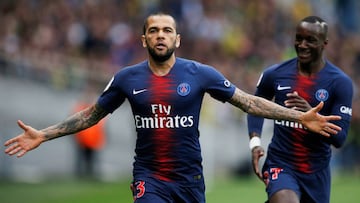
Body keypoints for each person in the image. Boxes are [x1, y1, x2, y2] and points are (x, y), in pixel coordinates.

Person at [4, 13, 342, 203]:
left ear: (177, 39)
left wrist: (300, 116)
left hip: (190, 180)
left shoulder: (200, 74)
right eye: (154, 31)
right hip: (150, 179)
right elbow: (91, 114)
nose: (161, 36)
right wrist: (44, 135)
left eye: (167, 30)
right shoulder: (126, 78)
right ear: (144, 40)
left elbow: (247, 101)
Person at [247, 16, 353, 203]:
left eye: (310, 40)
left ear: (324, 43)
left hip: (316, 172)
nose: (302, 45)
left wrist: (313, 115)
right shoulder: (275, 74)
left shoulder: (340, 83)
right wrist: (255, 143)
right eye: (299, 38)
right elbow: (256, 105)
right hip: (280, 163)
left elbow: (340, 139)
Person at [72, 85, 106, 179]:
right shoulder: (80, 107)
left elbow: (101, 126)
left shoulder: (97, 108)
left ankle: (90, 175)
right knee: (81, 159)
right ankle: (80, 176)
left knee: (91, 160)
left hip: (93, 140)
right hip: (82, 139)